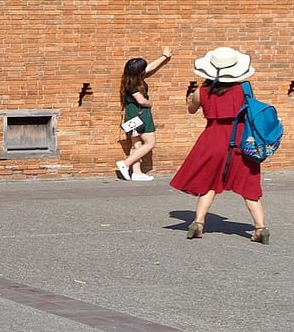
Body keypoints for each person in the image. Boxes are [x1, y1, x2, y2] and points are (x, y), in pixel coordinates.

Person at [169, 46, 271, 243]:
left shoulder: (202, 91)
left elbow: (191, 110)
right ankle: (260, 228)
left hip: (212, 139)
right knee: (249, 186)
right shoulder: (244, 88)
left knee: (209, 183)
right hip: (241, 140)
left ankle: (198, 223)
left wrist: (192, 97)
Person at [116, 49, 172, 181]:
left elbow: (150, 67)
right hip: (140, 113)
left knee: (136, 144)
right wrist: (150, 103)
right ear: (138, 71)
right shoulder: (133, 84)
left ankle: (136, 173)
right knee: (150, 142)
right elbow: (141, 100)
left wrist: (164, 57)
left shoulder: (130, 79)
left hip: (131, 114)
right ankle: (125, 164)